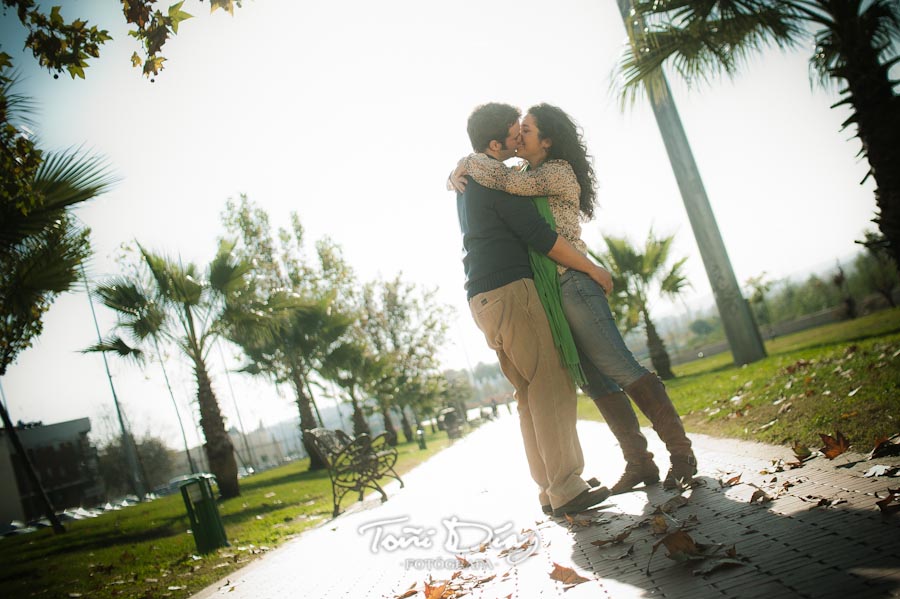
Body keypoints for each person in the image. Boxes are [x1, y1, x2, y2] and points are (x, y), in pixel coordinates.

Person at [450, 103, 697, 492]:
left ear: (546, 141)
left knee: (621, 367)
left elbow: (505, 183)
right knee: (595, 380)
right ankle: (639, 463)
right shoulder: (521, 172)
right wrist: (460, 170)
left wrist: (463, 166)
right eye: (517, 131)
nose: (520, 136)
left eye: (527, 130)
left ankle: (681, 454)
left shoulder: (554, 173)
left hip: (573, 281)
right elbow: (500, 177)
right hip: (549, 292)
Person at [455, 102, 612, 517]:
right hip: (511, 290)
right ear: (494, 144)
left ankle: (549, 489)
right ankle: (567, 487)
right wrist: (593, 268)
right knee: (552, 382)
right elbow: (541, 236)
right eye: (513, 132)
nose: (519, 136)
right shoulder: (495, 182)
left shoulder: (472, 176)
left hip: (482, 297)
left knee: (528, 392)